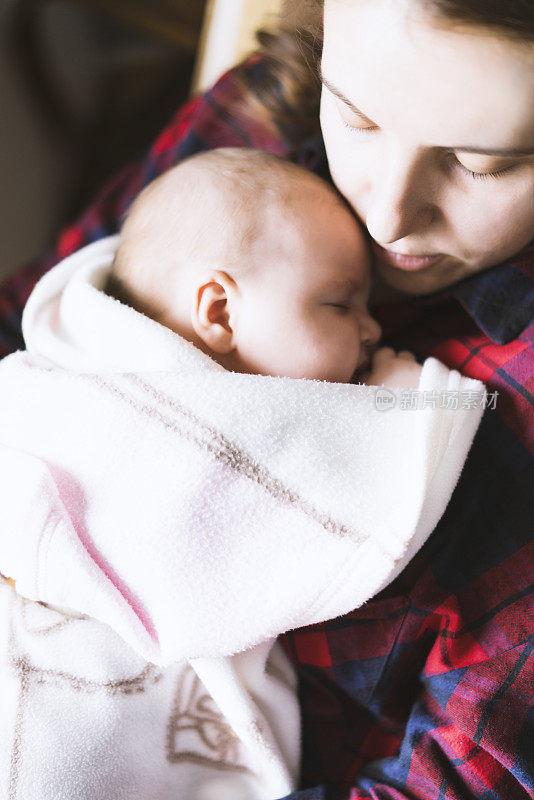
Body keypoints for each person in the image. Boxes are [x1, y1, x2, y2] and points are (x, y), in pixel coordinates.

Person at [0, 0, 532, 797]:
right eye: (355, 115)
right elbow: (26, 324)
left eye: (480, 163)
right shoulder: (262, 119)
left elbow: (472, 768)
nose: (387, 214)